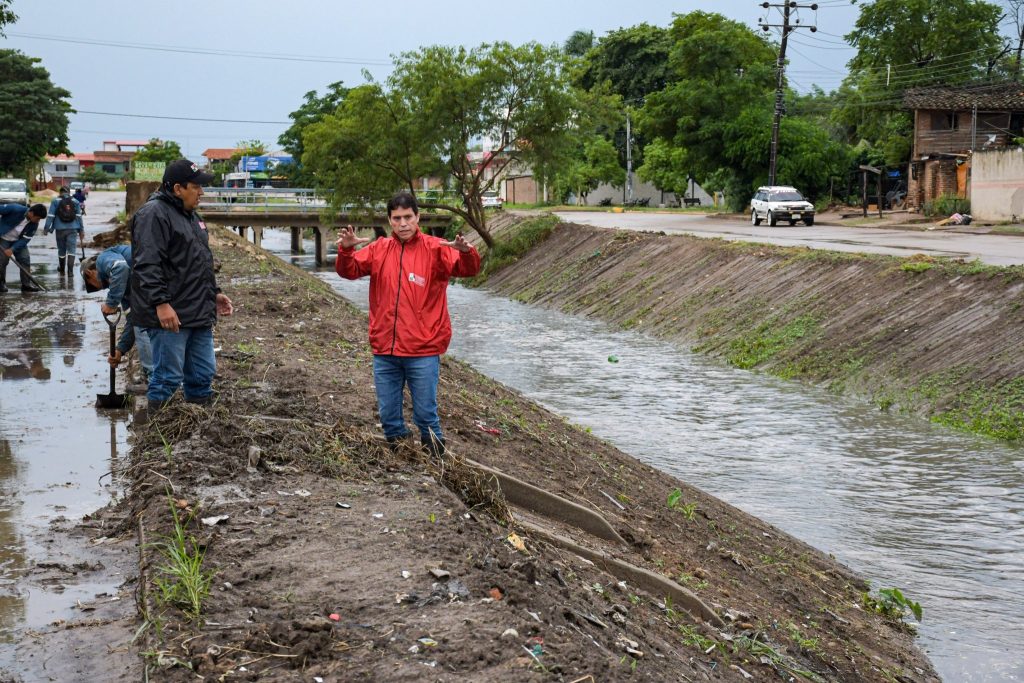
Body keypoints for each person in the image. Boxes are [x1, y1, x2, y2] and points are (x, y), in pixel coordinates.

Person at [335, 192, 480, 454]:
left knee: (425, 415)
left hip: (422, 350)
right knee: (389, 417)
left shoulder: (436, 248)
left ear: (418, 217)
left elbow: (467, 269)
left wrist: (467, 252)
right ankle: (404, 459)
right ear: (390, 220)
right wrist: (346, 249)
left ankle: (437, 461)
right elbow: (349, 271)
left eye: (408, 217)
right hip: (385, 350)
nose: (403, 223)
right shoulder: (379, 249)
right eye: (397, 218)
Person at [129, 159, 233, 409]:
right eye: (196, 186)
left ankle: (198, 432)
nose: (201, 192)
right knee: (167, 378)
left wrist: (214, 293)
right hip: (170, 313)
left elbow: (198, 261)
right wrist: (161, 304)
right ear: (177, 189)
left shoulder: (190, 216)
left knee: (202, 375)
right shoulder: (153, 215)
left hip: (198, 309)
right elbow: (147, 265)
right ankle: (155, 440)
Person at [80, 245, 153, 377]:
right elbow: (132, 319)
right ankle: (161, 378)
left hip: (157, 276)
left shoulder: (103, 259)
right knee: (140, 322)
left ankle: (152, 378)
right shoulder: (125, 290)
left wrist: (111, 303)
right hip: (154, 285)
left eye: (92, 286)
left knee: (141, 326)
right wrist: (120, 350)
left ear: (90, 273)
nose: (100, 289)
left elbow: (120, 267)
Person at [0, 203, 47, 293]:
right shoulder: (15, 209)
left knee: (25, 259)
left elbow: (25, 240)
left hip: (18, 241)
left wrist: (12, 249)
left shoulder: (34, 224)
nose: (38, 221)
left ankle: (26, 285)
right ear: (31, 213)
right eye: (37, 218)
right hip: (3, 238)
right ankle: (1, 284)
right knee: (2, 261)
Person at [43, 186, 84, 277]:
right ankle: (70, 272)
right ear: (69, 192)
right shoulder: (75, 201)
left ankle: (62, 269)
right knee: (71, 250)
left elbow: (50, 216)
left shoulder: (55, 201)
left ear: (60, 192)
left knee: (61, 250)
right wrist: (81, 230)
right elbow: (79, 217)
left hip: (59, 229)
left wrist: (46, 228)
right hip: (73, 229)